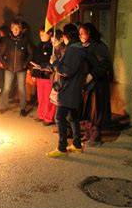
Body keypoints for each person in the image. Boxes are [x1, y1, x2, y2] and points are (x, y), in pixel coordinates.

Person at [47, 23, 87, 157]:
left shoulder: (73, 50)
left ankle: (62, 148)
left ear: (65, 36)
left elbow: (67, 70)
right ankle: (76, 144)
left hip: (68, 89)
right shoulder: (78, 48)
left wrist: (55, 63)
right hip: (74, 89)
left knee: (59, 117)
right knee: (72, 117)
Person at [79, 23, 112, 146]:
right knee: (86, 110)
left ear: (89, 33)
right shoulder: (84, 46)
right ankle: (87, 134)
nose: (80, 35)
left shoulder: (99, 47)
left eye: (82, 33)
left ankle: (95, 137)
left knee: (95, 111)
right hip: (87, 84)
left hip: (97, 85)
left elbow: (105, 64)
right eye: (79, 33)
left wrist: (92, 75)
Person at [0, 19, 34, 116]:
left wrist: (25, 64)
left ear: (20, 29)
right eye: (14, 28)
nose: (15, 30)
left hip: (21, 68)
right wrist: (5, 65)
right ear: (11, 29)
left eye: (17, 29)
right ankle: (2, 106)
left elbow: (30, 53)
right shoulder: (7, 40)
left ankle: (23, 108)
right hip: (9, 68)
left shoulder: (25, 40)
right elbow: (0, 54)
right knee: (6, 88)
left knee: (22, 88)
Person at [32, 27, 56, 125]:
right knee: (41, 96)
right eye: (40, 34)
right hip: (39, 75)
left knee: (48, 97)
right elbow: (35, 60)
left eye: (43, 34)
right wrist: (34, 74)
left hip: (47, 75)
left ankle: (49, 117)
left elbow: (51, 62)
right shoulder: (39, 46)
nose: (41, 36)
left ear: (50, 34)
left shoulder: (52, 47)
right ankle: (41, 114)